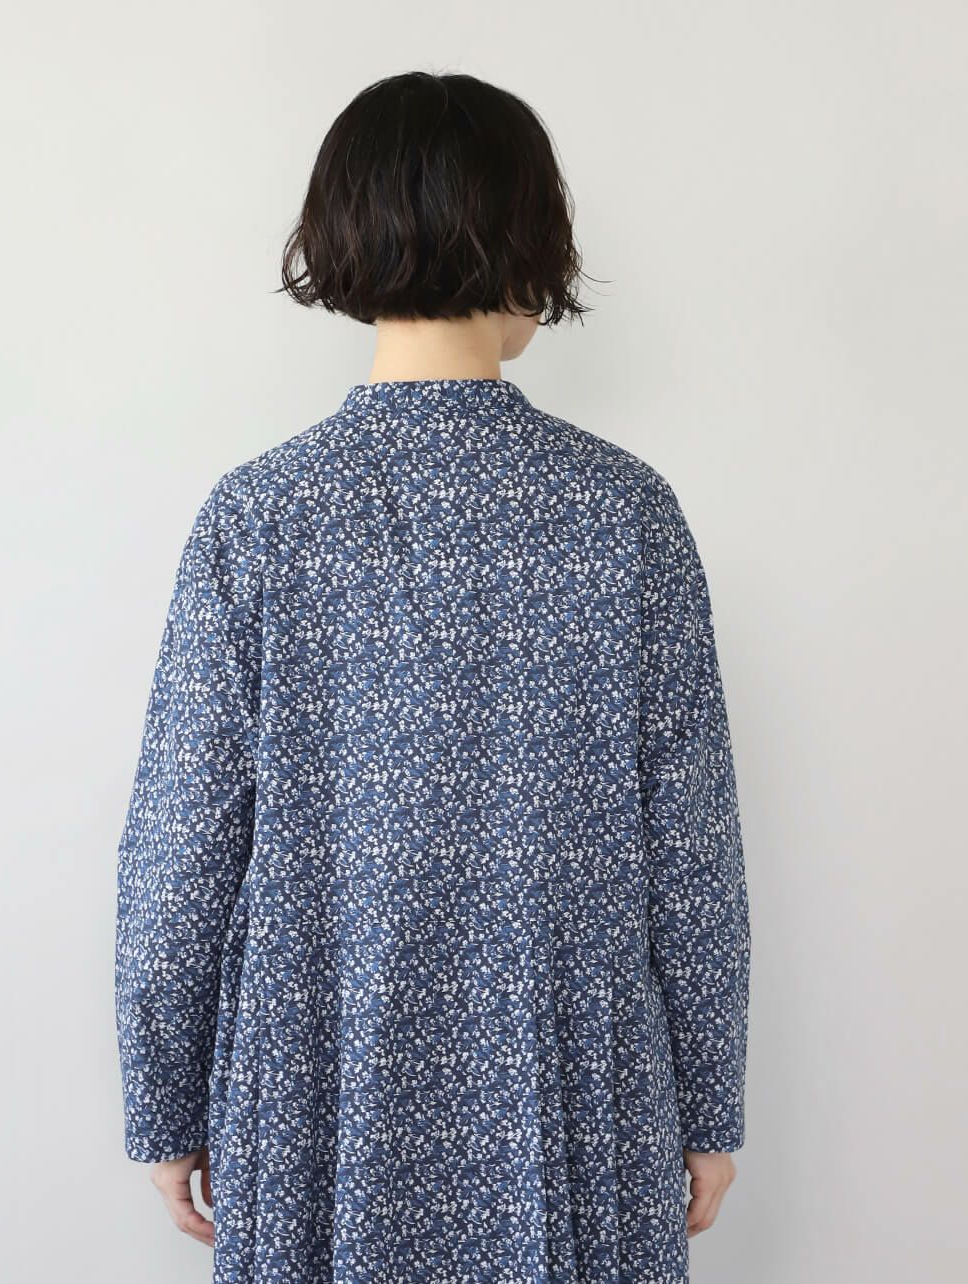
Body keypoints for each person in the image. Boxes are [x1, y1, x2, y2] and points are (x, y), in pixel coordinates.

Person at [114, 70, 750, 1284]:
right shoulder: (624, 514)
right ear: (530, 241)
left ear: (338, 234)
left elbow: (180, 845)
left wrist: (165, 1103)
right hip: (573, 1076)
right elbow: (691, 851)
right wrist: (709, 1105)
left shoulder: (258, 517)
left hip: (319, 1071)